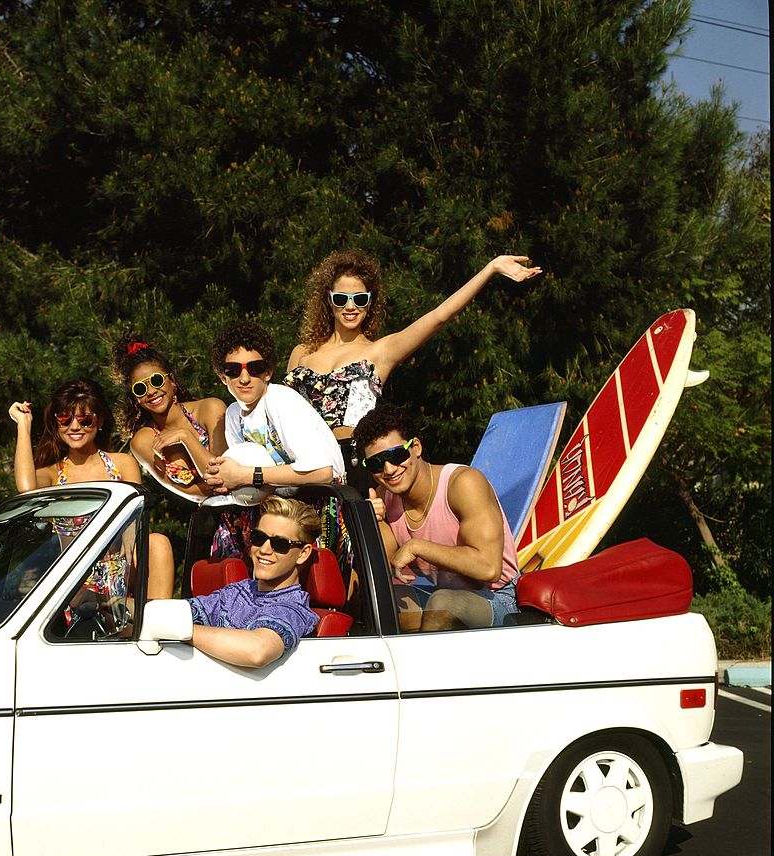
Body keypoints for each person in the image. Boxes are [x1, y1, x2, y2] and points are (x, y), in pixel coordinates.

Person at [286, 249, 542, 490]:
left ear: (370, 302)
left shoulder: (381, 351)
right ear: (329, 301)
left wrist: (490, 268)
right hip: (302, 465)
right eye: (341, 299)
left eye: (360, 299)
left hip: (353, 468)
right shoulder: (301, 353)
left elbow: (439, 316)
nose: (350, 307)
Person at [353, 402, 519, 631]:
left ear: (417, 447)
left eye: (396, 455)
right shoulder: (385, 496)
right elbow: (390, 567)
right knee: (383, 603)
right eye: (376, 463)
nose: (389, 469)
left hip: (499, 598)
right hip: (443, 593)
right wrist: (374, 523)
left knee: (444, 603)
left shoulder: (463, 483)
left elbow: (488, 567)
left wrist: (417, 546)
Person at [8, 378, 174, 599]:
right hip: (76, 582)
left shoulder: (121, 463)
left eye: (85, 420)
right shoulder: (53, 473)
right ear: (56, 424)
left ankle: (156, 625)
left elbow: (136, 519)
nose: (75, 426)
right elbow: (26, 489)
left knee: (157, 543)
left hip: (123, 571)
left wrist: (130, 538)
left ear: (100, 420)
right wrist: (23, 425)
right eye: (65, 419)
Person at [205, 321, 345, 496]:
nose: (245, 378)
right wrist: (220, 477)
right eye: (233, 370)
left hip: (326, 499)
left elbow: (322, 473)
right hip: (280, 504)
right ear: (223, 377)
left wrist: (247, 475)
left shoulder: (280, 400)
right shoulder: (234, 414)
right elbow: (242, 475)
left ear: (268, 372)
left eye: (255, 368)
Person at [189, 496, 321, 668]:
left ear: (303, 554)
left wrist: (180, 631)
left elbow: (258, 652)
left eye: (279, 544)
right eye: (258, 537)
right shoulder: (237, 591)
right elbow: (184, 612)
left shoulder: (294, 609)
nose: (264, 550)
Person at [112, 334, 228, 501]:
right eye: (140, 388)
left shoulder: (210, 409)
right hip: (211, 518)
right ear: (135, 397)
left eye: (156, 380)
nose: (151, 391)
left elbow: (221, 474)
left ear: (171, 380)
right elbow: (189, 492)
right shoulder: (143, 441)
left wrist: (185, 437)